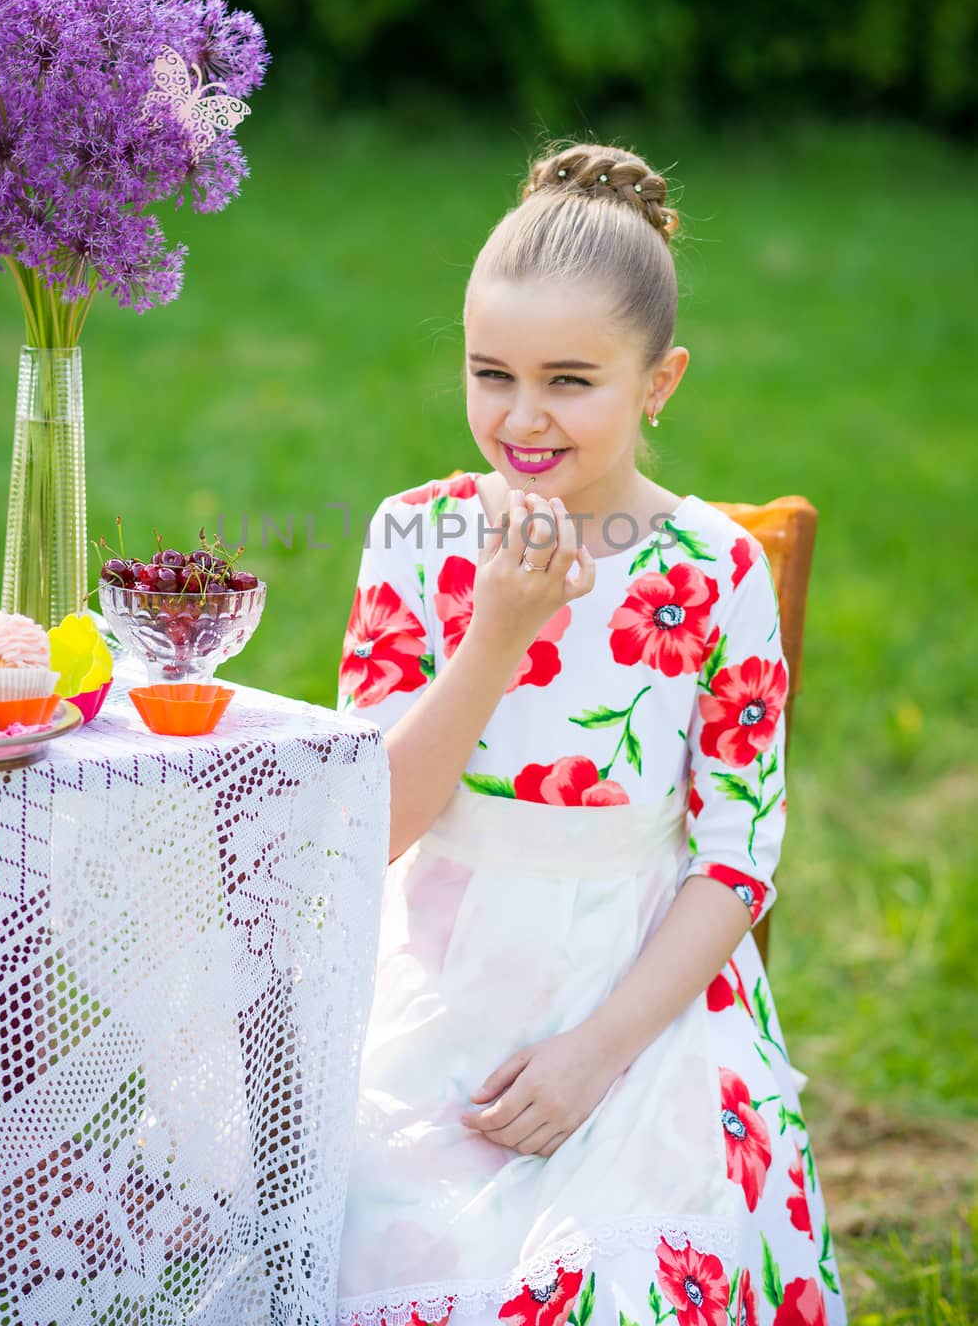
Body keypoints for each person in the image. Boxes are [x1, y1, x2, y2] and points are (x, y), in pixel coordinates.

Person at [334, 143, 847, 1326]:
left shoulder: (714, 569)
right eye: (490, 373)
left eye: (571, 380)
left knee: (608, 1286)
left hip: (640, 1001)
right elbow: (373, 822)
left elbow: (737, 858)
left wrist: (596, 1054)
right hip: (444, 988)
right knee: (362, 1247)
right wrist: (498, 630)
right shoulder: (415, 539)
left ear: (658, 380)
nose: (522, 418)